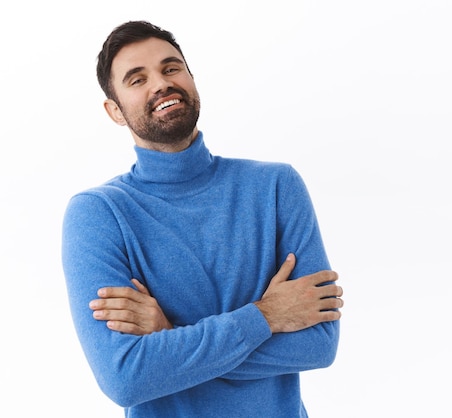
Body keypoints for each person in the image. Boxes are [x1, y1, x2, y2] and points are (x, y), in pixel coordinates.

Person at [62, 20, 343, 418]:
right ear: (115, 111)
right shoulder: (98, 213)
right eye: (137, 79)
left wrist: (168, 338)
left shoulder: (276, 186)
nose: (160, 83)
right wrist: (267, 316)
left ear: (192, 78)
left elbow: (319, 344)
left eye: (171, 68)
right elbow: (125, 377)